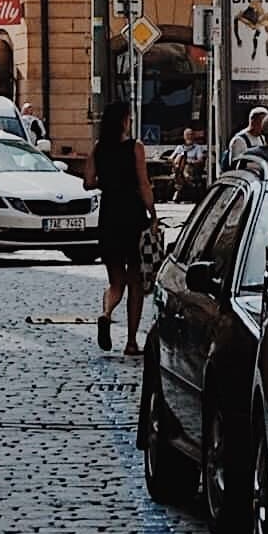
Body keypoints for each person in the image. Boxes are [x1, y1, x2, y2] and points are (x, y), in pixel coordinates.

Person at [93, 97, 155, 357]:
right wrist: (153, 212)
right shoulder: (135, 148)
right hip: (132, 216)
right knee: (136, 282)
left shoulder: (99, 148)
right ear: (123, 121)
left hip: (108, 216)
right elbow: (143, 183)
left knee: (116, 281)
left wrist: (107, 182)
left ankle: (106, 313)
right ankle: (131, 342)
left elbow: (87, 181)